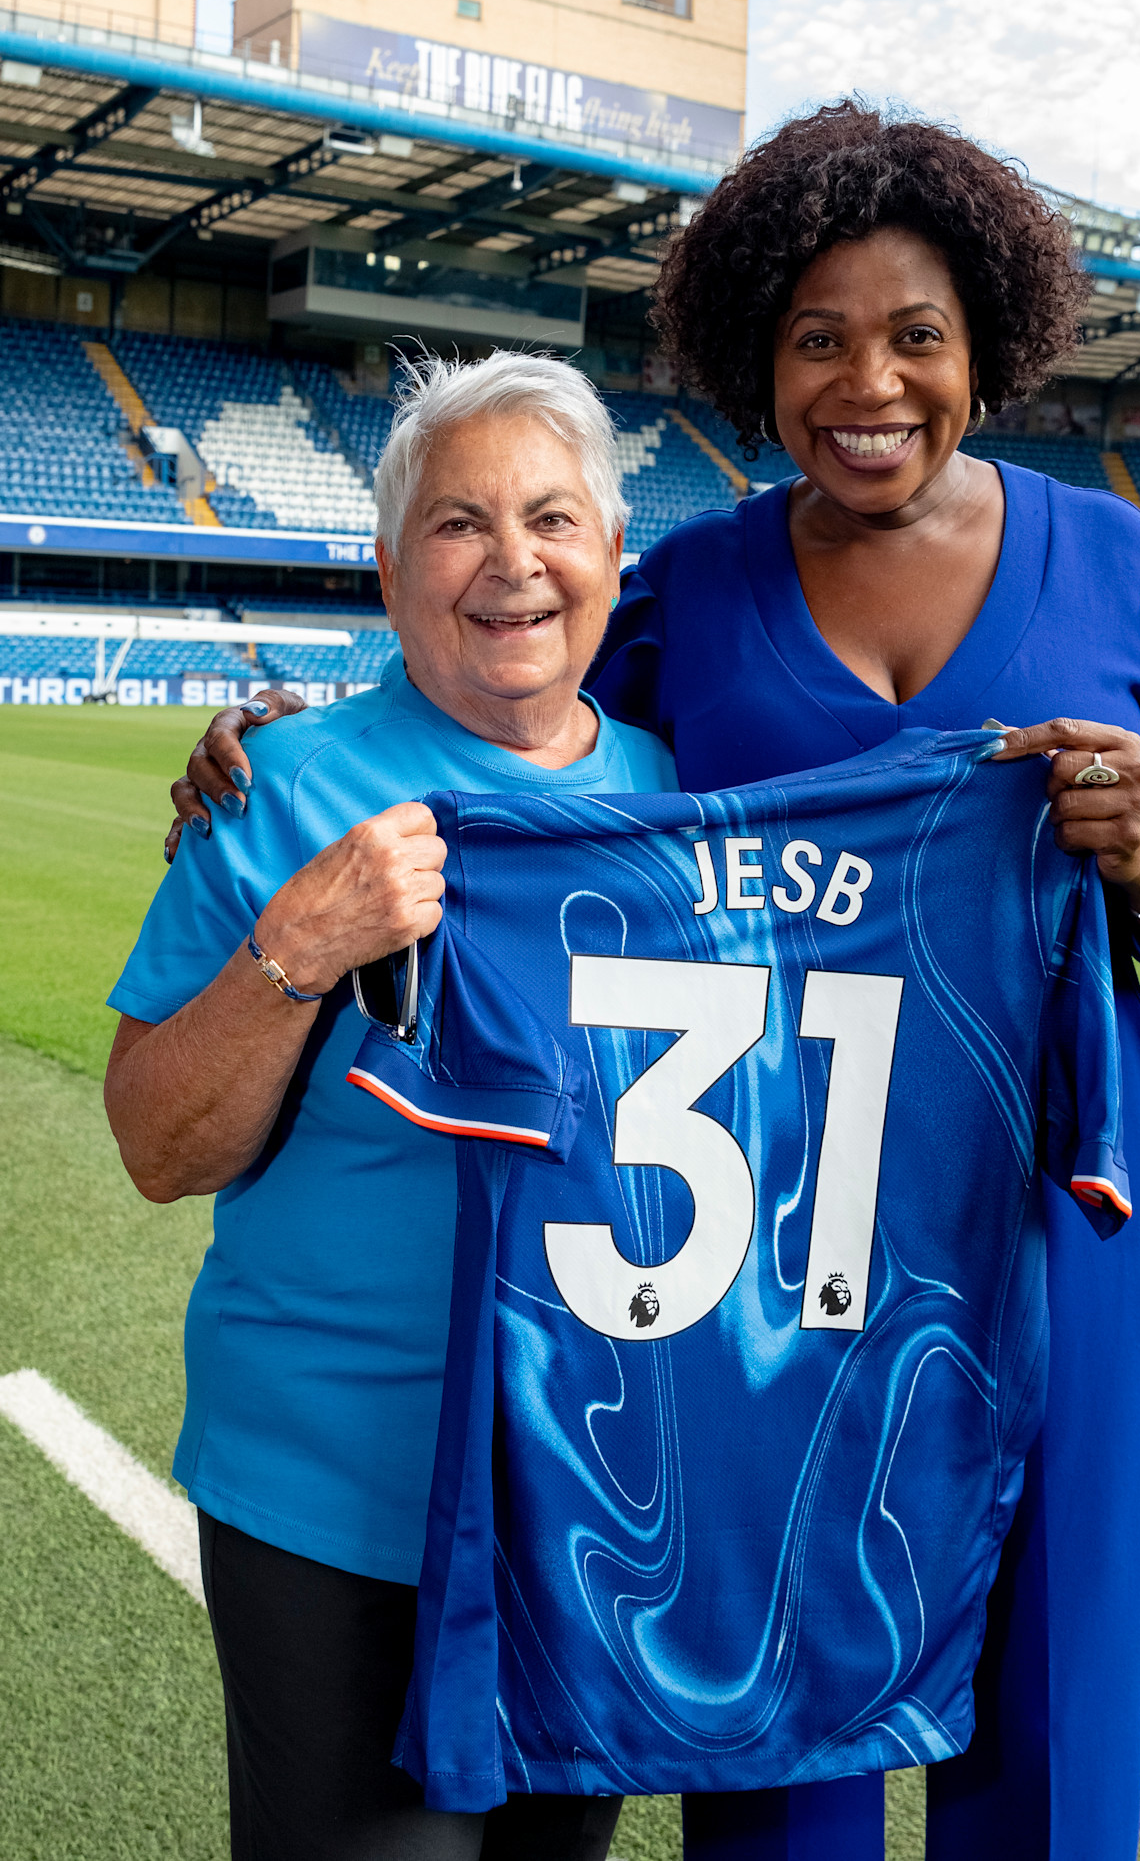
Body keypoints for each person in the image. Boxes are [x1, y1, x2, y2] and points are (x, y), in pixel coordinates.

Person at [165, 103, 1140, 1861]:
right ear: (758, 355)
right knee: (777, 1674)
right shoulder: (686, 583)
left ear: (989, 344)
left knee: (1059, 1705)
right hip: (778, 1210)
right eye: (818, 338)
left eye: (918, 335)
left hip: (1073, 1204)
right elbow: (529, 731)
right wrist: (286, 741)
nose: (872, 381)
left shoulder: (1123, 566)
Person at [106, 353, 677, 1861]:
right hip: (335, 1493)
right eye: (457, 524)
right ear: (387, 565)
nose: (512, 564)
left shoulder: (683, 799)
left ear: (615, 556)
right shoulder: (274, 788)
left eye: (554, 519)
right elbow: (157, 1149)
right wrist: (296, 948)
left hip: (590, 1496)